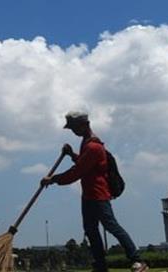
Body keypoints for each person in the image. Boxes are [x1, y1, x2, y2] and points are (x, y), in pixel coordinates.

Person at [40, 111, 148, 272]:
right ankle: (100, 265)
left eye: (75, 127)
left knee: (112, 226)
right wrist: (71, 155)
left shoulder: (93, 146)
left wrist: (54, 179)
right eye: (72, 129)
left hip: (99, 195)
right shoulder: (86, 143)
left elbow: (77, 172)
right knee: (91, 230)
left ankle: (137, 261)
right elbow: (85, 164)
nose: (74, 131)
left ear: (85, 125)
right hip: (88, 195)